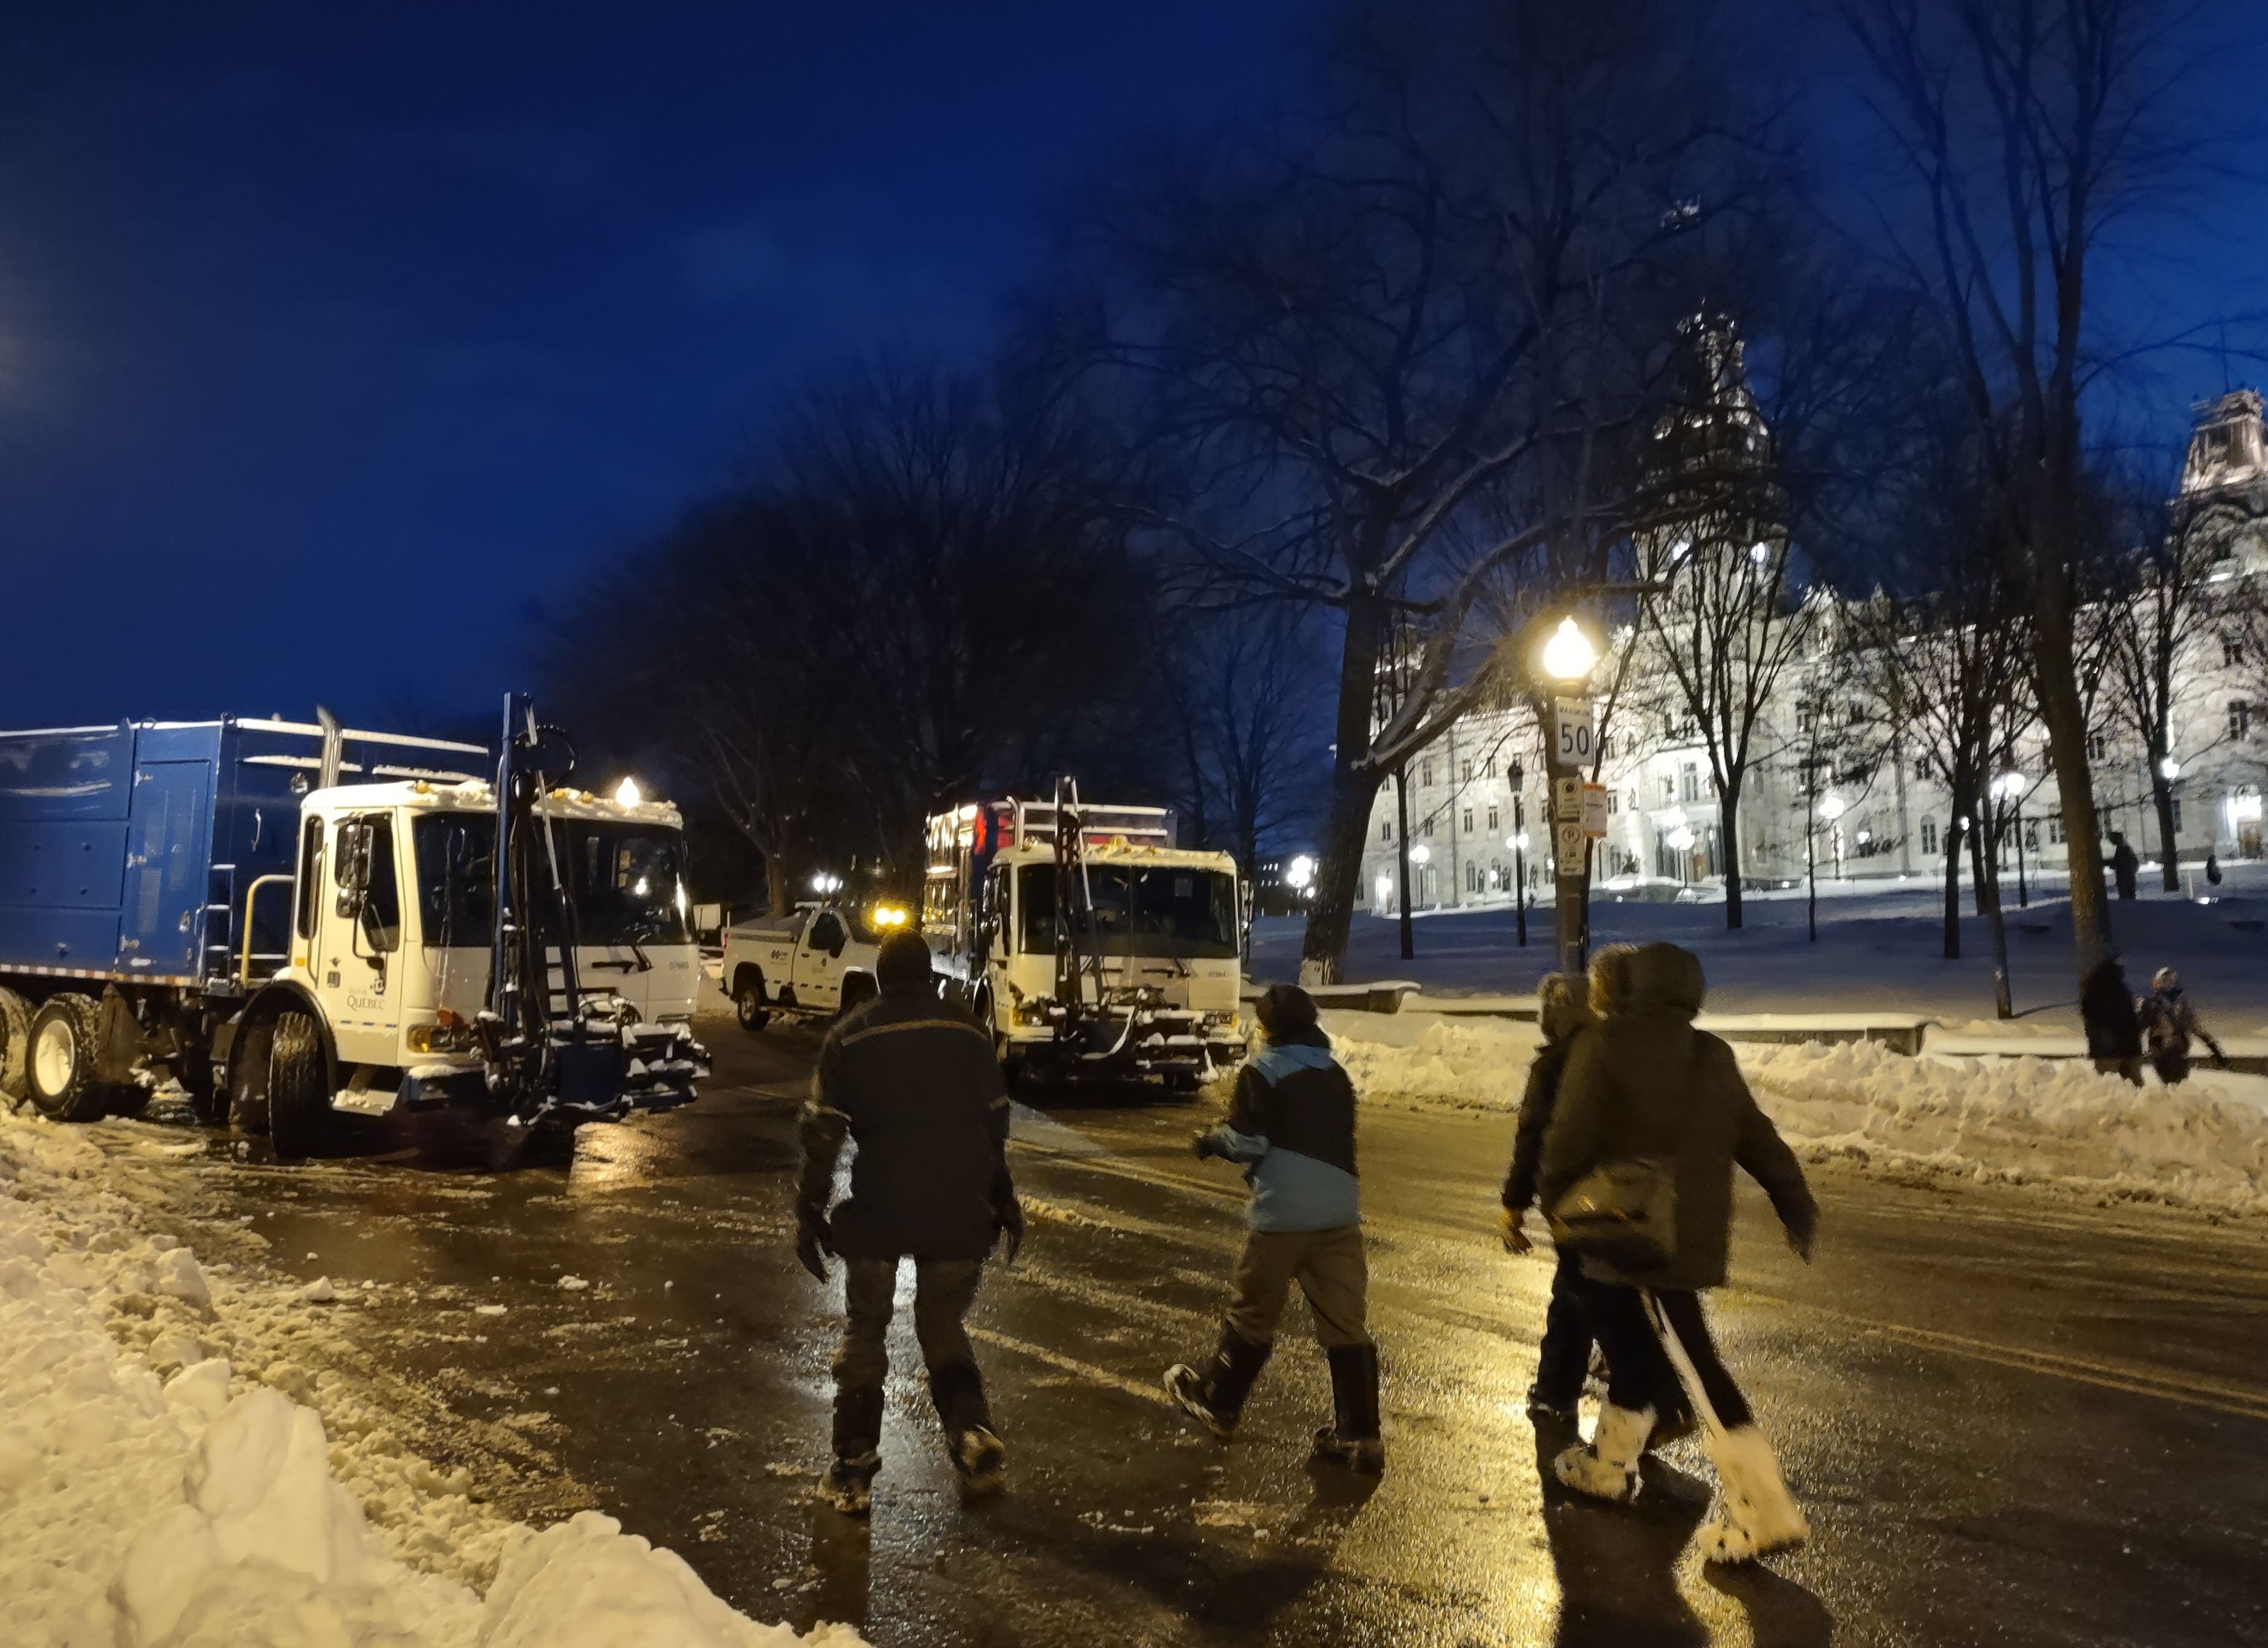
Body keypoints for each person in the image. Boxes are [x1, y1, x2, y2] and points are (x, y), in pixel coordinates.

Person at [1538, 942, 1819, 1565]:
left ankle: (1764, 1507)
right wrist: (1793, 1200)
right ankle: (1609, 1463)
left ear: (1633, 986)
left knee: (1695, 1365)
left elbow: (1566, 1137)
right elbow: (1757, 1135)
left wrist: (1557, 1207)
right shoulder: (1710, 1053)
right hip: (1689, 1237)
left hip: (1631, 1232)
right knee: (1639, 1350)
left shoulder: (1604, 1046)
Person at [796, 930, 1024, 1515]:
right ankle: (971, 1431)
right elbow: (995, 1126)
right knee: (943, 1326)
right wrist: (1003, 1200)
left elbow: (822, 1130)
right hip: (959, 1206)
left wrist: (809, 1209)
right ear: (930, 975)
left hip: (880, 1210)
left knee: (866, 1329)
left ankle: (852, 1465)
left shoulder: (850, 1034)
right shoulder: (971, 1031)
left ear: (878, 976)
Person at [1163, 983, 1381, 1473]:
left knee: (1253, 1311)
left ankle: (1220, 1402)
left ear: (1267, 1029)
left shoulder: (1260, 1071)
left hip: (1282, 1217)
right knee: (1345, 1323)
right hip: (1339, 1215)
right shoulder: (1335, 1073)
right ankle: (1361, 1434)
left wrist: (1209, 1140)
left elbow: (1248, 1141)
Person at [2137, 967, 2225, 1086]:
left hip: (2161, 1055)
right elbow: (2196, 1029)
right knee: (2177, 1087)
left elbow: (2140, 1028)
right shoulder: (2183, 1005)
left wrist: (2136, 1052)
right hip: (2180, 1053)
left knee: (2170, 1086)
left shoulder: (2151, 1005)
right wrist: (2215, 1051)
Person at [2080, 956, 2144, 1086]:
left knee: (2110, 1088)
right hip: (2115, 1048)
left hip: (2112, 1048)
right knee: (2126, 1087)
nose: (2123, 969)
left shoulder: (2096, 989)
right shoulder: (2114, 990)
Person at [2108, 833, 2140, 901]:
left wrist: (2107, 863)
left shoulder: (2122, 849)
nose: (2110, 842)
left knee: (2126, 896)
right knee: (2129, 896)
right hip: (2128, 876)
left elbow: (2119, 862)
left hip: (2125, 877)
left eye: (2111, 839)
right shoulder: (2125, 848)